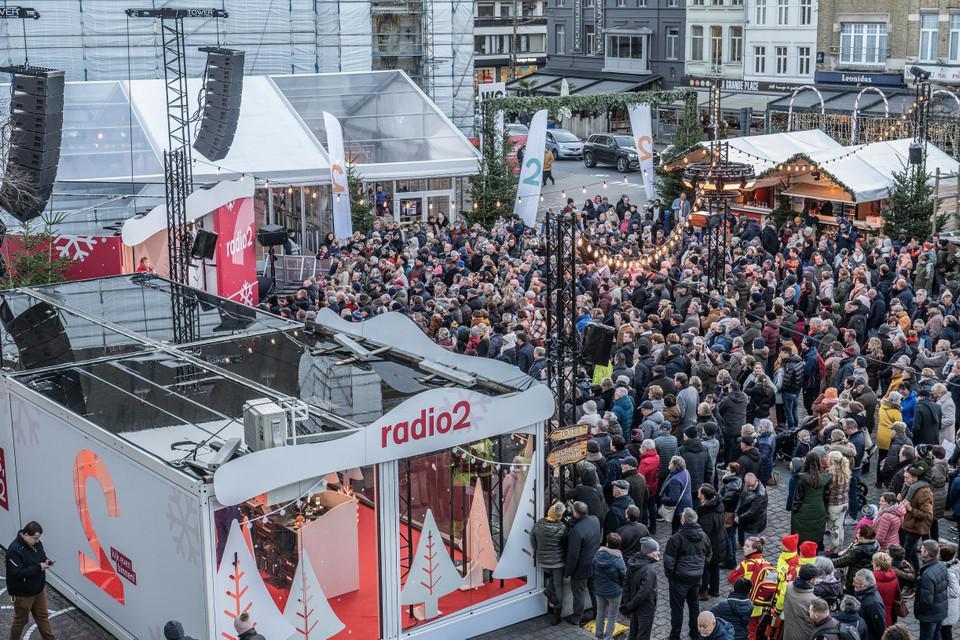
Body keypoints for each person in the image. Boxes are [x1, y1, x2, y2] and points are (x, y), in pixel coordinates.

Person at [664, 508, 712, 640]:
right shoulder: (704, 536)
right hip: (696, 577)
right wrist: (700, 567)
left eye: (682, 516)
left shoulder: (676, 538)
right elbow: (709, 555)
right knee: (694, 605)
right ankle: (695, 633)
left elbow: (668, 562)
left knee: (677, 608)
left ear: (684, 520)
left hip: (679, 579)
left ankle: (675, 636)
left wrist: (671, 575)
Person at [7, 521, 56, 640]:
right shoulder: (14, 550)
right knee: (21, 620)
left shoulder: (37, 544)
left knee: (43, 617)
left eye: (38, 538)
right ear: (26, 534)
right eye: (35, 538)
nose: (37, 541)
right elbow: (17, 573)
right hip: (22, 594)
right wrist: (39, 567)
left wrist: (46, 561)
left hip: (38, 590)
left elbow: (42, 556)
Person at [531, 502, 569, 625]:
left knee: (552, 579)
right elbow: (566, 544)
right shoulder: (563, 528)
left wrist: (537, 551)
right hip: (558, 563)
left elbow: (532, 540)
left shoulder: (538, 525)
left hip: (543, 561)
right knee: (558, 587)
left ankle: (548, 591)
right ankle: (556, 615)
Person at [565, 501, 602, 626]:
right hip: (595, 563)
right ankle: (598, 614)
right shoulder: (594, 520)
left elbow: (573, 555)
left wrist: (568, 571)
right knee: (594, 590)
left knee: (579, 594)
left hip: (581, 569)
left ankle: (576, 618)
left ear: (575, 513)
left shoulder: (577, 531)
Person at [623, 537, 660, 640]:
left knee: (633, 633)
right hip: (645, 609)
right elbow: (643, 594)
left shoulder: (633, 562)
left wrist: (628, 603)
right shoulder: (649, 571)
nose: (658, 553)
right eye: (655, 550)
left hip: (634, 606)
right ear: (648, 552)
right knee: (643, 635)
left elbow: (626, 583)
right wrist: (629, 606)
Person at [791, 452, 830, 549]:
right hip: (819, 510)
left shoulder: (802, 480)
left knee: (801, 538)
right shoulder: (824, 478)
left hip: (802, 513)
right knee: (815, 536)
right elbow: (826, 497)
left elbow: (797, 500)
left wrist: (794, 511)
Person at [592, 532, 627, 640]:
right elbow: (624, 575)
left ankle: (598, 635)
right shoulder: (618, 559)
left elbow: (593, 567)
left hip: (599, 589)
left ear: (607, 543)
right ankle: (608, 637)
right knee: (612, 616)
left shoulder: (597, 555)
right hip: (614, 592)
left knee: (600, 613)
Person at [901, 465, 934, 574]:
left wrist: (910, 508)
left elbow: (928, 515)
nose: (905, 480)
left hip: (917, 527)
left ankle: (911, 576)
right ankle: (917, 571)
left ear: (915, 478)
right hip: (911, 524)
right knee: (911, 551)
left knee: (907, 552)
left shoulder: (923, 492)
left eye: (907, 478)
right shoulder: (911, 487)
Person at [698, 484, 728, 599]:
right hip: (719, 541)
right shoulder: (718, 505)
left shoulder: (707, 514)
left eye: (700, 492)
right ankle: (715, 590)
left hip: (711, 545)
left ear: (704, 496)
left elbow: (704, 534)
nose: (698, 493)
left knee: (705, 567)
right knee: (715, 567)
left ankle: (703, 591)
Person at [832, 524, 880, 594]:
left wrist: (828, 563)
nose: (856, 534)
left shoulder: (859, 550)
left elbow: (844, 561)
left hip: (855, 576)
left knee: (851, 592)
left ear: (864, 537)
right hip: (866, 573)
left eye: (858, 533)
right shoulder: (875, 543)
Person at [916, 539, 948, 640]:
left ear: (926, 552)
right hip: (940, 610)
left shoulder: (928, 575)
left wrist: (918, 608)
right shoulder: (942, 565)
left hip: (929, 616)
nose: (920, 550)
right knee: (936, 635)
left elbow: (926, 601)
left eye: (922, 548)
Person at [824, 450, 851, 554]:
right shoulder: (846, 471)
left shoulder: (831, 474)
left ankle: (834, 550)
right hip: (844, 502)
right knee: (840, 526)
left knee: (833, 528)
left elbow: (827, 490)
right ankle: (840, 546)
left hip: (834, 505)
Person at [782, 565, 819, 640]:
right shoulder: (814, 600)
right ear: (811, 580)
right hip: (804, 636)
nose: (816, 580)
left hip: (787, 634)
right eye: (815, 578)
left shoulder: (788, 586)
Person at [661, 455, 693, 534]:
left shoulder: (675, 480)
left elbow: (673, 499)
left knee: (676, 531)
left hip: (679, 510)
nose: (669, 463)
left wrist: (662, 499)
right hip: (687, 504)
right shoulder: (685, 471)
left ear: (675, 466)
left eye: (671, 462)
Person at [853, 569, 887, 640]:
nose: (853, 584)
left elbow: (880, 629)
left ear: (866, 585)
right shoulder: (862, 594)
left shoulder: (873, 604)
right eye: (854, 580)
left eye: (857, 582)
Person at [871, 552, 900, 626]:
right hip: (889, 611)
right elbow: (897, 594)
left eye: (873, 563)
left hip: (877, 613)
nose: (872, 564)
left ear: (878, 567)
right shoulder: (894, 577)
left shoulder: (872, 581)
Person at [942, 544, 960, 640]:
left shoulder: (949, 571)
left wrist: (940, 590)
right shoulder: (956, 564)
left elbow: (955, 591)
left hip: (948, 607)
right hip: (950, 607)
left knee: (945, 631)